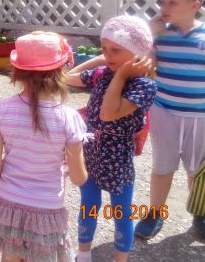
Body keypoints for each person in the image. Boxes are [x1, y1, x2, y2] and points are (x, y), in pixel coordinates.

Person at [0, 32, 87, 262]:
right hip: (46, 209)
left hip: (9, 204)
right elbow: (79, 178)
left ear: (17, 71)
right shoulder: (69, 118)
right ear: (60, 72)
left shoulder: (2, 110)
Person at [66, 15, 157, 262]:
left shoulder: (143, 86)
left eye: (115, 50)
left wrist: (121, 74)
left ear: (138, 53)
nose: (108, 55)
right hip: (91, 150)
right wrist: (105, 59)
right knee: (89, 205)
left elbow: (108, 113)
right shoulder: (102, 73)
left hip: (117, 156)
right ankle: (84, 254)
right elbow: (69, 76)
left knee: (121, 212)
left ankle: (120, 259)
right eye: (104, 48)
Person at [134, 0, 205, 241]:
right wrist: (150, 37)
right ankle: (155, 212)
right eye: (162, 1)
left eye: (172, 2)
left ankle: (201, 213)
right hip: (164, 110)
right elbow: (143, 65)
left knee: (197, 170)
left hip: (201, 116)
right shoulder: (160, 34)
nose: (164, 7)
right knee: (162, 165)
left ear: (195, 5)